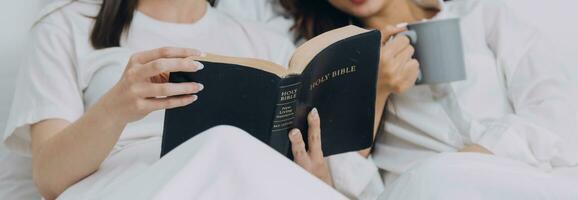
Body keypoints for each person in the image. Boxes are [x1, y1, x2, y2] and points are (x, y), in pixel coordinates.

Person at [2, 0, 416, 199]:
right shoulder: (66, 28)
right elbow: (49, 179)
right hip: (129, 185)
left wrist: (314, 178)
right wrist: (118, 106)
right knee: (224, 144)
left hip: (252, 184)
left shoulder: (266, 42)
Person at [278, 0, 578, 199]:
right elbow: (349, 188)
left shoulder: (476, 12)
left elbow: (556, 106)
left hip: (517, 177)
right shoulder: (335, 67)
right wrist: (376, 90)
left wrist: (475, 158)